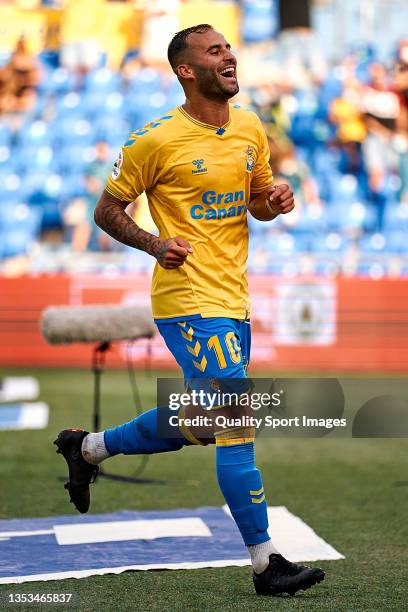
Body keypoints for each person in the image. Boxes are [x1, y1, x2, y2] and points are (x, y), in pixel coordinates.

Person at [54, 24, 325, 597]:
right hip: (188, 300)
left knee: (199, 424)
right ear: (186, 70)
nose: (229, 56)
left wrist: (274, 203)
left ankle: (88, 448)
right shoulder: (154, 140)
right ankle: (265, 563)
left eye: (229, 47)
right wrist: (156, 244)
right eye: (214, 51)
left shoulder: (250, 125)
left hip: (234, 297)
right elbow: (107, 210)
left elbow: (256, 201)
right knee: (235, 424)